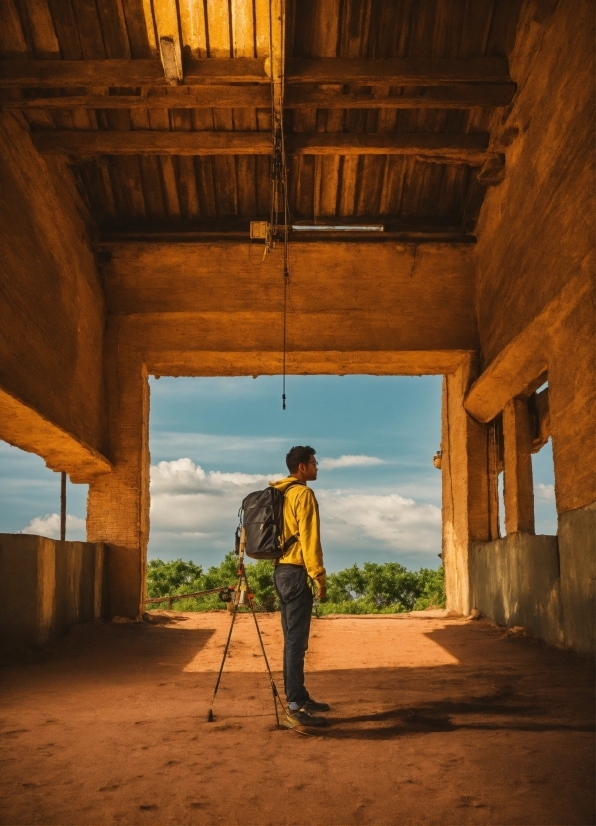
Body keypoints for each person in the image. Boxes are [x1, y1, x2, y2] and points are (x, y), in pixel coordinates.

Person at [270, 445, 330, 728]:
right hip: (296, 573)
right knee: (296, 642)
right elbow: (309, 538)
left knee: (292, 640)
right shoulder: (303, 494)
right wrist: (318, 575)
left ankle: (300, 696)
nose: (317, 467)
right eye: (314, 463)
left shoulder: (278, 493)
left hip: (280, 572)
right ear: (302, 468)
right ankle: (294, 705)